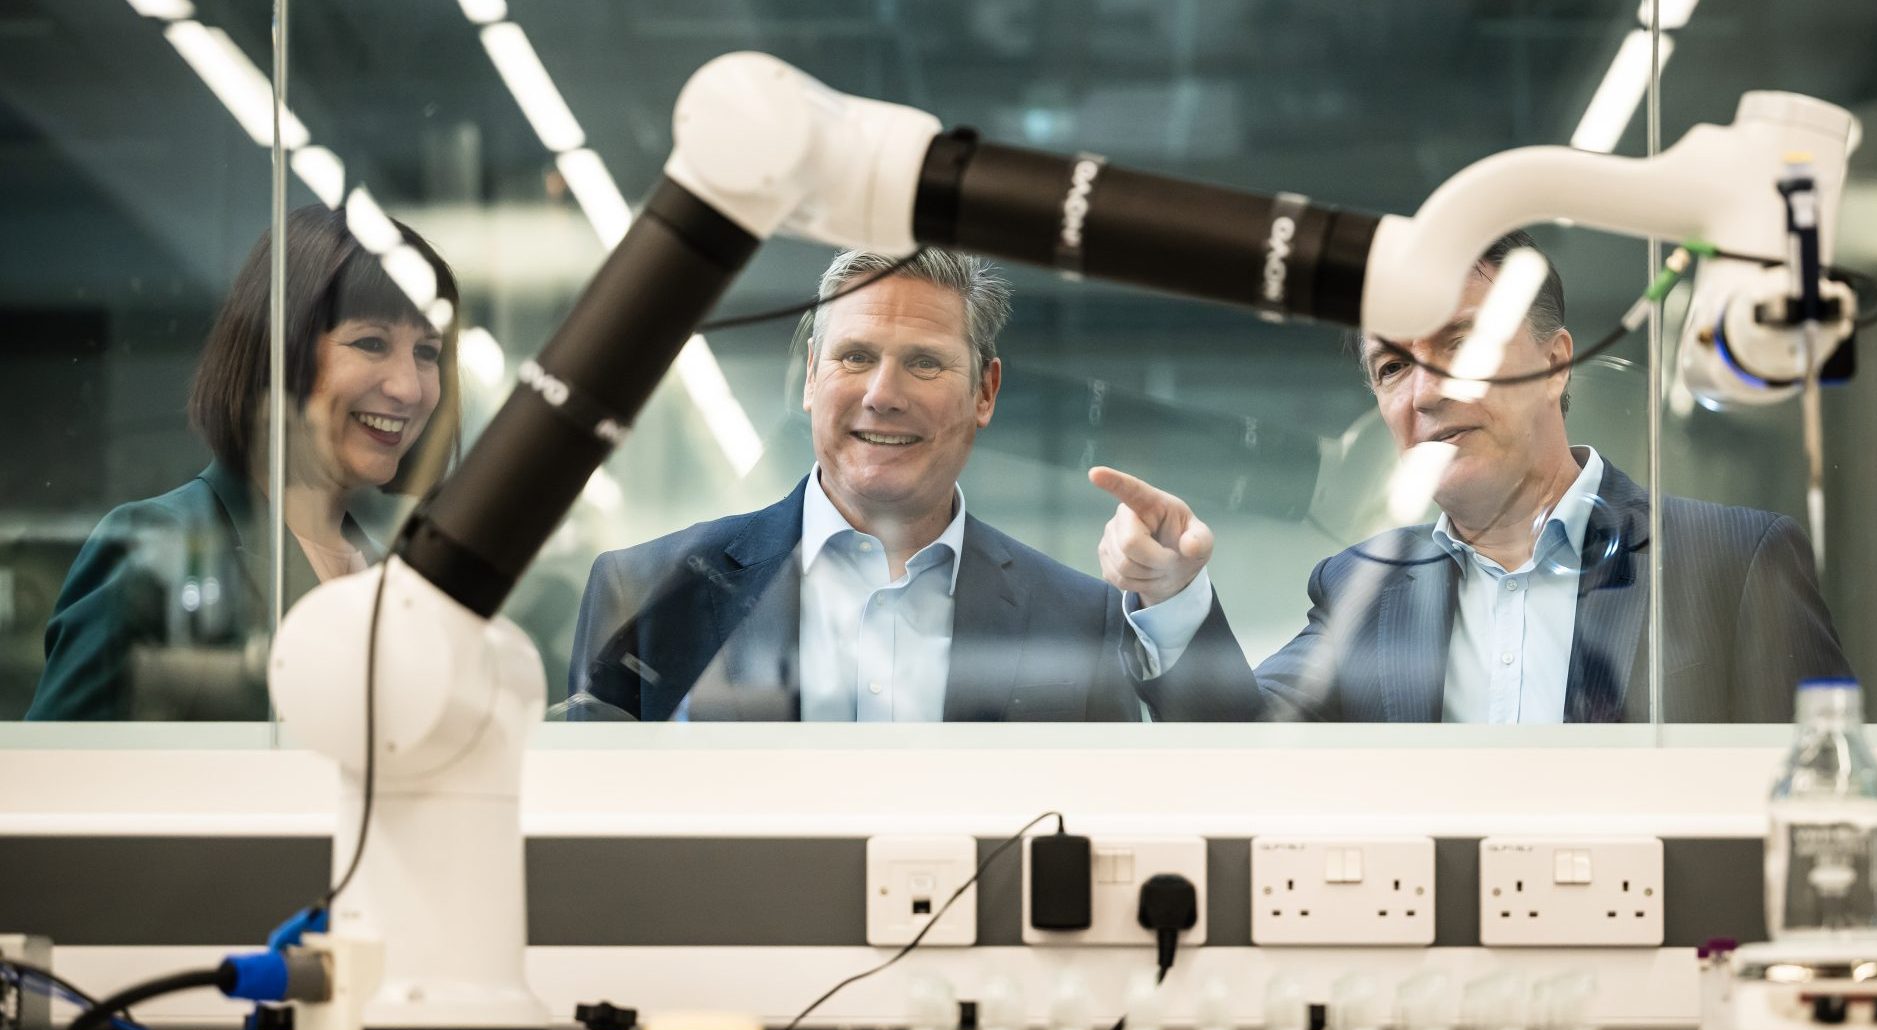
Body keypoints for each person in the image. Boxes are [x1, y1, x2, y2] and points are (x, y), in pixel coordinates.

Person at [1089, 230, 1849, 724]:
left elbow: (1824, 802)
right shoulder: (1366, 588)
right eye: (1392, 368)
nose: (1424, 392)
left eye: (1460, 346)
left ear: (1556, 365)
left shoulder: (1732, 561)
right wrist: (1173, 594)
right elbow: (1247, 750)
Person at [569, 248, 1247, 722]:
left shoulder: (1078, 623)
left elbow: (1241, 784)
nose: (881, 395)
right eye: (855, 357)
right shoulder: (648, 591)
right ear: (811, 378)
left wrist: (1171, 599)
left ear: (986, 391)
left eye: (924, 363)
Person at [26, 205, 461, 721]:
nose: (409, 387)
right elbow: (56, 783)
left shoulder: (392, 575)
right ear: (281, 353)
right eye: (371, 343)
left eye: (428, 353)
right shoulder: (152, 548)